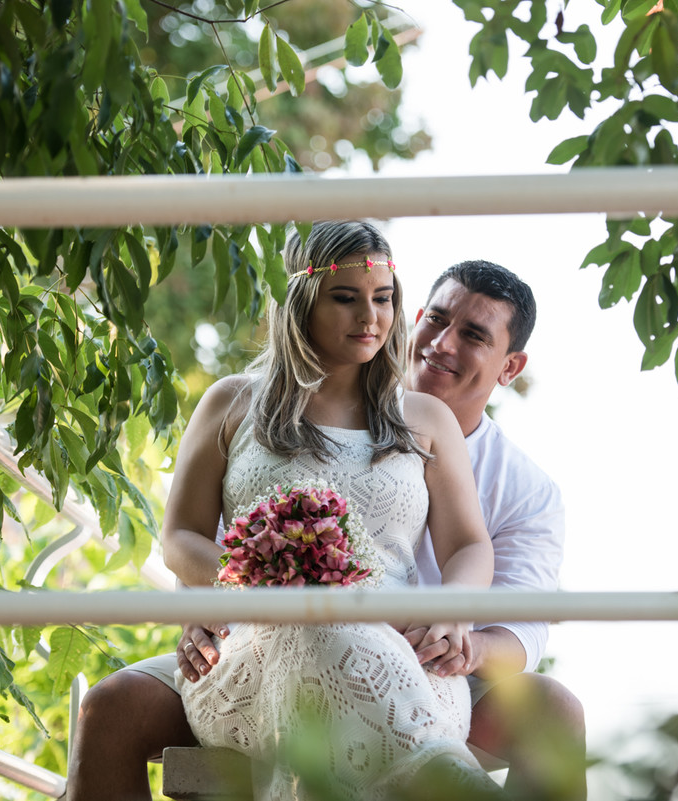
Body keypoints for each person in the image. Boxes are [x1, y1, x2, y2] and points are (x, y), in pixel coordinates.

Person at [66, 257, 586, 800]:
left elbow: (522, 626)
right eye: (436, 318)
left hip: (433, 664)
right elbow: (209, 531)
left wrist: (458, 637)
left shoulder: (525, 488)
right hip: (261, 637)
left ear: (510, 366)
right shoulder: (268, 405)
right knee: (112, 707)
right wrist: (201, 606)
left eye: (474, 335)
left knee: (554, 710)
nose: (442, 343)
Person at [148, 220, 501, 801]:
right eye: (345, 298)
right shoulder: (232, 402)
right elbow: (180, 537)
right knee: (310, 622)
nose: (370, 317)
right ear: (303, 301)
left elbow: (468, 544)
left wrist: (453, 611)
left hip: (402, 661)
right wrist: (258, 585)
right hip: (257, 652)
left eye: (383, 298)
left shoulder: (426, 419)